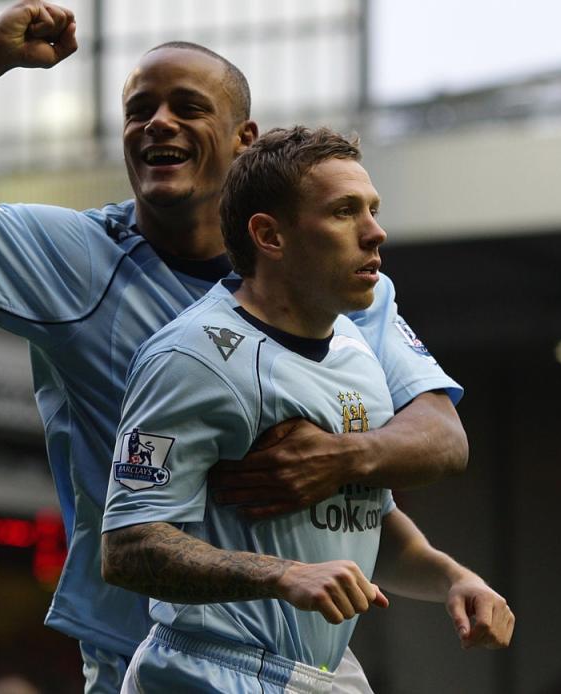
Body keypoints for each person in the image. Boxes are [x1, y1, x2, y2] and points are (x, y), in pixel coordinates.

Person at [0, 2, 469, 691]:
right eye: (139, 110)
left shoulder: (331, 284)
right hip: (151, 656)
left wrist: (338, 460)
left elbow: (440, 435)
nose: (157, 123)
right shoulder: (72, 259)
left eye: (188, 107)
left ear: (243, 139)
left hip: (301, 655)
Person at [101, 126, 514, 694]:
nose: (376, 232)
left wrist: (451, 577)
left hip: (321, 674)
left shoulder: (356, 348)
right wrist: (285, 575)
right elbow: (127, 547)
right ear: (269, 235)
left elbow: (362, 519)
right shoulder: (189, 356)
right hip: (210, 670)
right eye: (345, 212)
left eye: (372, 209)